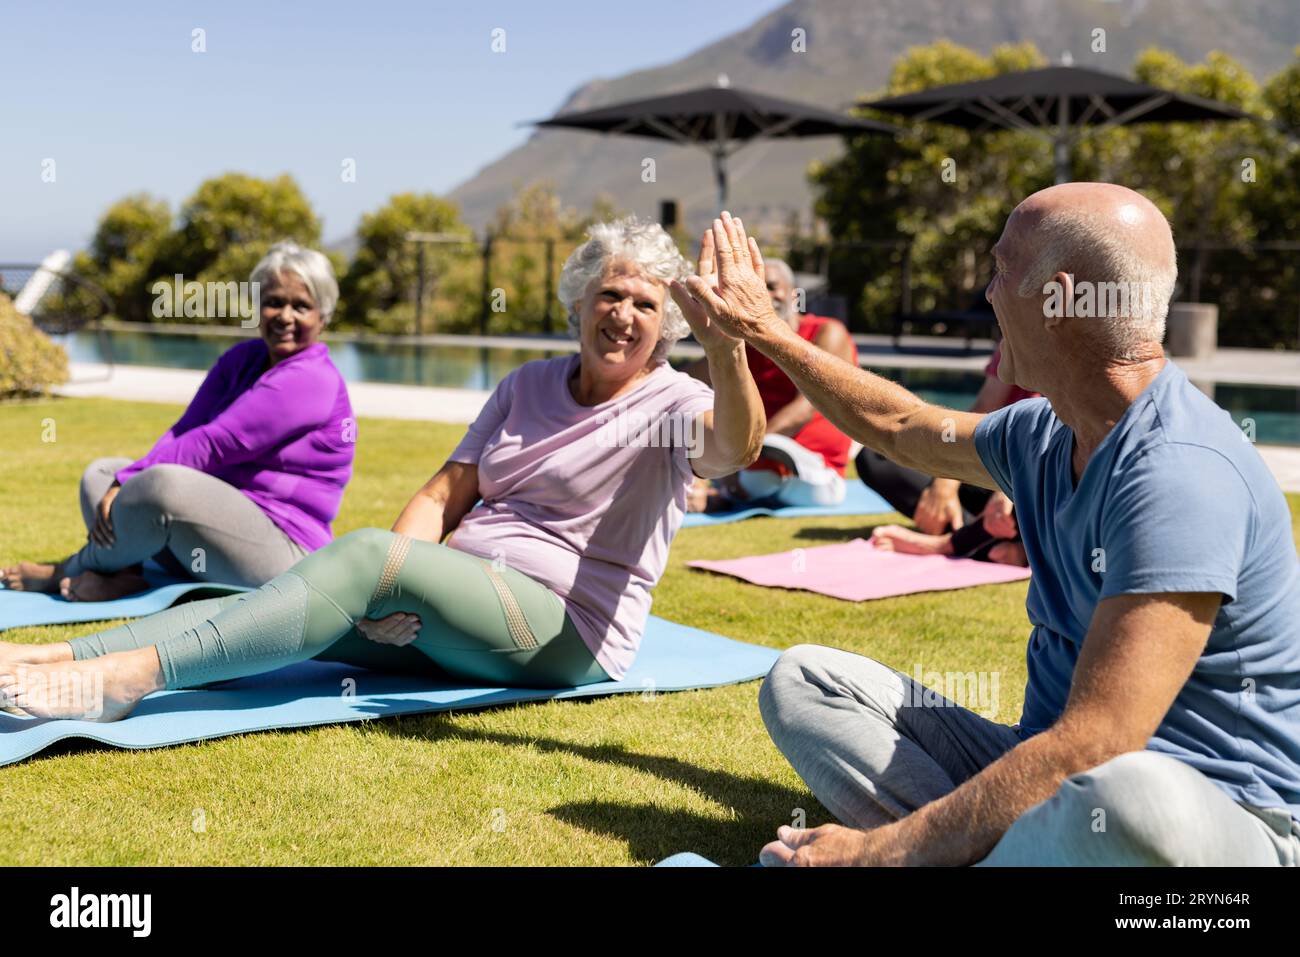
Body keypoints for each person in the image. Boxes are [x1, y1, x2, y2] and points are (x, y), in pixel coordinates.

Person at [680, 200, 1300, 866]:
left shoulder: (1181, 473)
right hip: (1052, 769)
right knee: (804, 680)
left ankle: (943, 850)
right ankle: (980, 849)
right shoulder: (1046, 432)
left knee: (1126, 794)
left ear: (1059, 300)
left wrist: (874, 851)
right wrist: (767, 331)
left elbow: (1100, 740)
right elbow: (899, 424)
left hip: (1215, 820)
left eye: (1001, 270)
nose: (986, 292)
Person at [0, 217, 765, 720]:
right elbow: (443, 492)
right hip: (459, 601)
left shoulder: (676, 401)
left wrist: (728, 345)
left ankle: (122, 682)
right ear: (580, 302)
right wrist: (402, 580)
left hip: (568, 627)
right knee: (255, 603)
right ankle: (52, 655)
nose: (623, 313)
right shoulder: (526, 385)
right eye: (610, 293)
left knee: (363, 554)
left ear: (666, 326)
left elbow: (735, 447)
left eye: (643, 302)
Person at [1, 241, 355, 601]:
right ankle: (124, 574)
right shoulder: (242, 359)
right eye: (274, 302)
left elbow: (217, 442)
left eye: (301, 306)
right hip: (207, 538)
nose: (285, 316)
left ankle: (67, 569)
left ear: (323, 317)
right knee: (102, 474)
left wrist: (132, 480)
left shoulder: (312, 379)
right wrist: (123, 479)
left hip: (282, 552)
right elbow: (186, 429)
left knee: (161, 484)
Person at [686, 258, 856, 511]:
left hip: (815, 472)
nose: (764, 295)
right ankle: (715, 488)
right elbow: (686, 383)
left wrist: (745, 453)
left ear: (795, 296)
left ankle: (728, 487)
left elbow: (805, 408)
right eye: (756, 289)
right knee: (702, 431)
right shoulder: (743, 343)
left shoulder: (827, 333)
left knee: (767, 457)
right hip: (755, 466)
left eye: (771, 286)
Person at [861, 341, 1037, 565]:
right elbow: (982, 410)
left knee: (1039, 485)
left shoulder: (1075, 337)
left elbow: (1059, 434)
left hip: (1035, 478)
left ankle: (951, 543)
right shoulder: (1014, 337)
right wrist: (946, 481)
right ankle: (992, 539)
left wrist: (1012, 485)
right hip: (993, 474)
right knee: (877, 457)